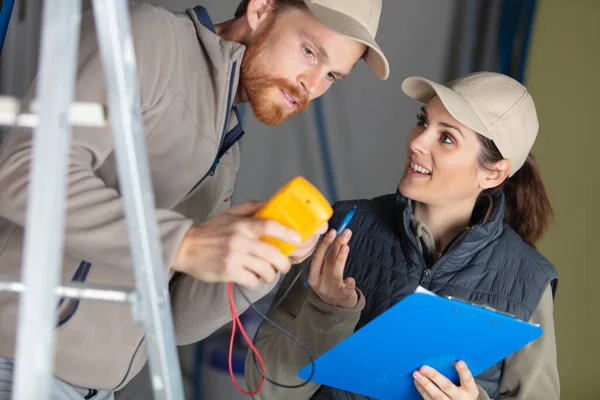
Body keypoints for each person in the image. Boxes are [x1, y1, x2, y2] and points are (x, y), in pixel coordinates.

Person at [0, 0, 389, 398]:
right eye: (310, 52)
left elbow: (175, 321)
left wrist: (267, 258)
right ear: (260, 9)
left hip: (95, 390)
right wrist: (184, 244)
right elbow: (25, 172)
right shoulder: (151, 37)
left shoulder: (227, 144)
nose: (313, 85)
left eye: (332, 76)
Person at [246, 71, 559, 400]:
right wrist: (326, 311)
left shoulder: (530, 281)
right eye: (423, 122)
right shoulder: (344, 228)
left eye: (447, 137)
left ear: (493, 173)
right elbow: (265, 389)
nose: (416, 141)